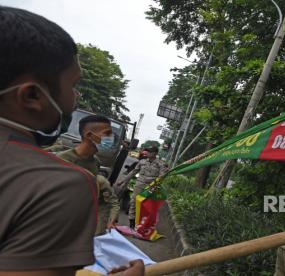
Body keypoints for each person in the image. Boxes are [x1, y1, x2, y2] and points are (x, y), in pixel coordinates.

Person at [0, 6, 143, 275]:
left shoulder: (88, 167)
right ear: (32, 96)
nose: (76, 98)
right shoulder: (60, 183)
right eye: (73, 85)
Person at [56, 115, 120, 235]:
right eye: (107, 133)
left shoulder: (95, 162)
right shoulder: (62, 160)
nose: (111, 138)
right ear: (89, 135)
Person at [116, 146, 168, 228]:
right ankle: (132, 224)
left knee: (147, 206)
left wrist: (156, 184)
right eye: (148, 151)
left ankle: (144, 225)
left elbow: (162, 176)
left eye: (150, 151)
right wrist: (123, 181)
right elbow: (133, 172)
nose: (148, 153)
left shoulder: (161, 164)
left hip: (151, 188)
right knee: (133, 203)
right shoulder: (142, 162)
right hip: (139, 186)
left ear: (155, 153)